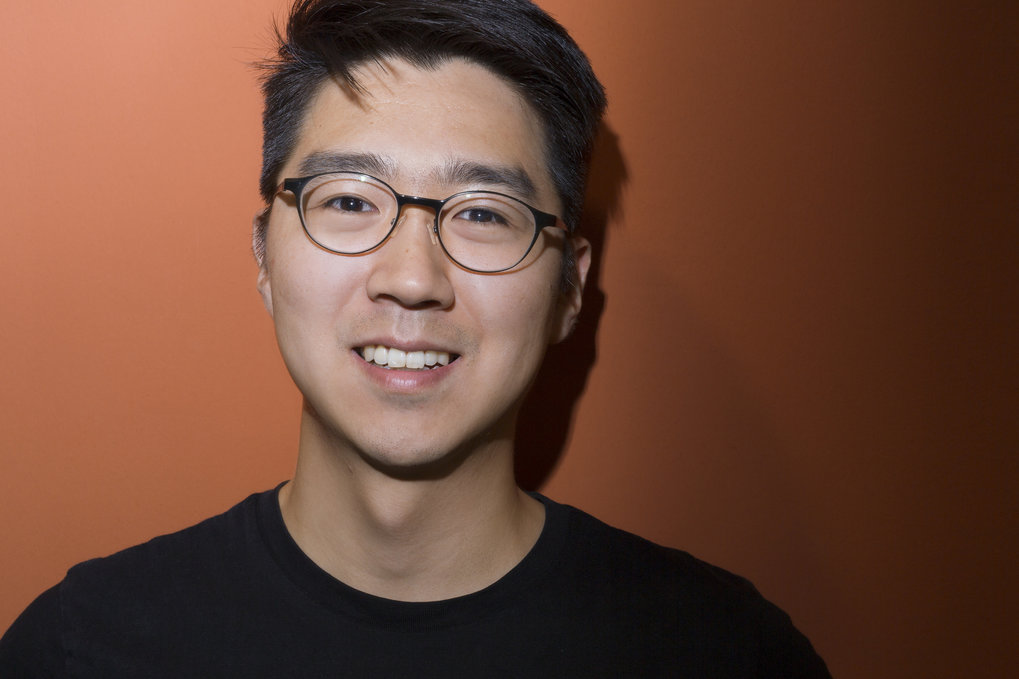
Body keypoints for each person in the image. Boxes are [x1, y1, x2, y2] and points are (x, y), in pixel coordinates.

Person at [0, 1, 830, 676]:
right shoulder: (84, 647)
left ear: (569, 287)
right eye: (350, 200)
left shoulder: (723, 653)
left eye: (481, 214)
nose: (411, 277)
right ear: (262, 254)